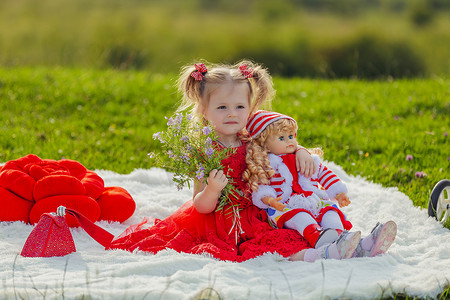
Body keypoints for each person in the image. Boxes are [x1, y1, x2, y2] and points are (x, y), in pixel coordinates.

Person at [109, 60, 317, 262]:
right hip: (217, 220)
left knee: (283, 237)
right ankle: (309, 256)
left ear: (250, 108)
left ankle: (319, 254)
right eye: (222, 107)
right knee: (246, 246)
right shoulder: (205, 151)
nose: (232, 114)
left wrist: (301, 151)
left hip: (257, 211)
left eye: (239, 107)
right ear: (204, 110)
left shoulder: (254, 138)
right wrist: (212, 189)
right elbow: (200, 206)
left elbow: (283, 146)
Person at [244, 110, 397, 261]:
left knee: (331, 212)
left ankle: (351, 241)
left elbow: (324, 173)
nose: (290, 141)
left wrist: (338, 192)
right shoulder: (267, 165)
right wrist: (270, 200)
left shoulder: (304, 158)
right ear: (264, 144)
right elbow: (261, 186)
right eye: (282, 138)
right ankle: (319, 237)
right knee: (300, 217)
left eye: (291, 136)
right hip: (285, 207)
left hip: (313, 201)